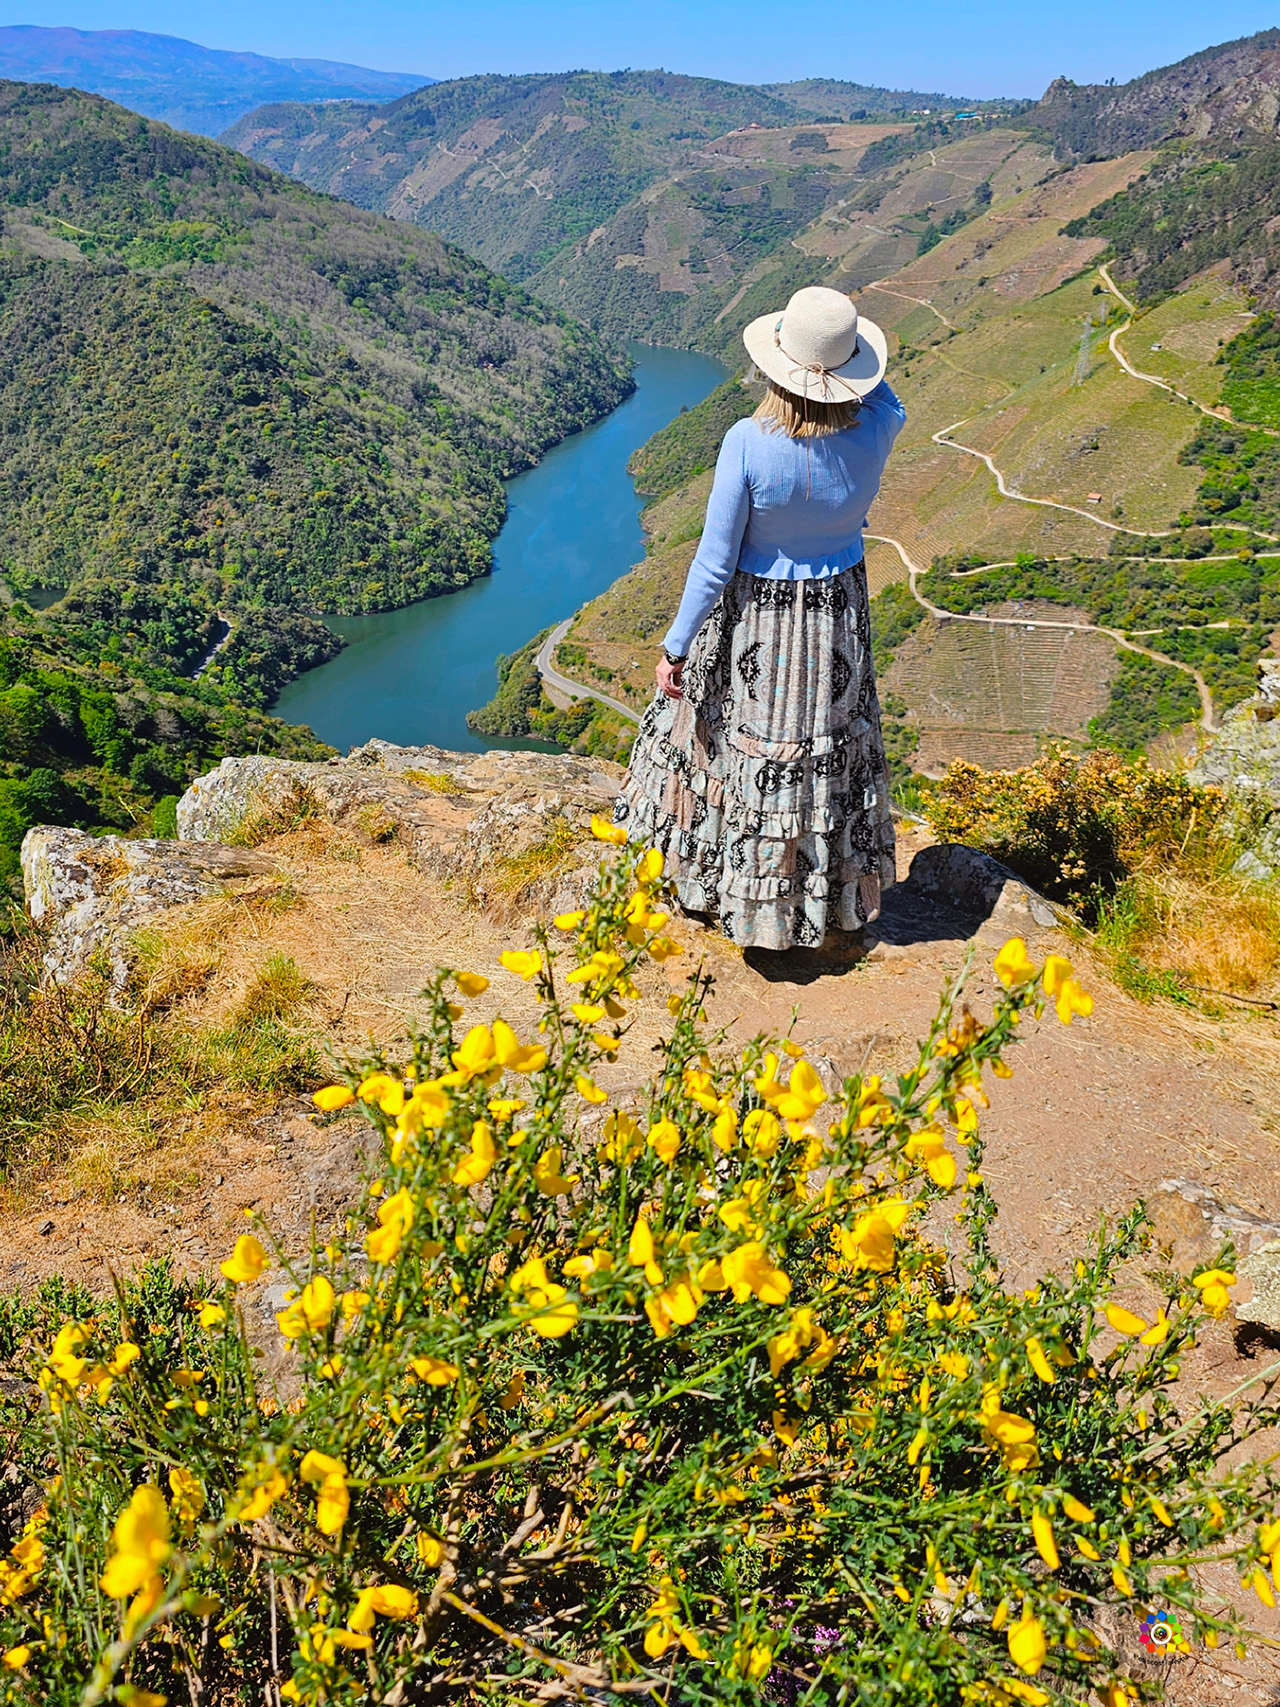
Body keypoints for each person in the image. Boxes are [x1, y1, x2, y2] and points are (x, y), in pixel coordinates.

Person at [613, 285, 906, 951]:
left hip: (758, 621)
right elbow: (889, 400)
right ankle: (816, 899)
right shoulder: (876, 431)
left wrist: (675, 647)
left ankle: (725, 889)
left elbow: (715, 562)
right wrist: (852, 365)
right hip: (836, 617)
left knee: (728, 742)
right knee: (825, 750)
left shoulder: (748, 442)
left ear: (779, 366)